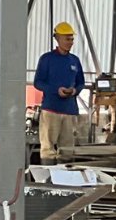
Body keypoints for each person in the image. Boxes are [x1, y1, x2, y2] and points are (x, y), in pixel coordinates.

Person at [33, 22, 85, 165]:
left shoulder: (74, 60)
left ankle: (65, 176)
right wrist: (56, 90)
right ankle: (47, 176)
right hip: (51, 110)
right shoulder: (47, 59)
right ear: (58, 39)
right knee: (48, 149)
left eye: (72, 39)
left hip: (69, 111)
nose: (70, 42)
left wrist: (74, 91)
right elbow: (38, 82)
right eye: (67, 39)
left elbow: (81, 82)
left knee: (67, 150)